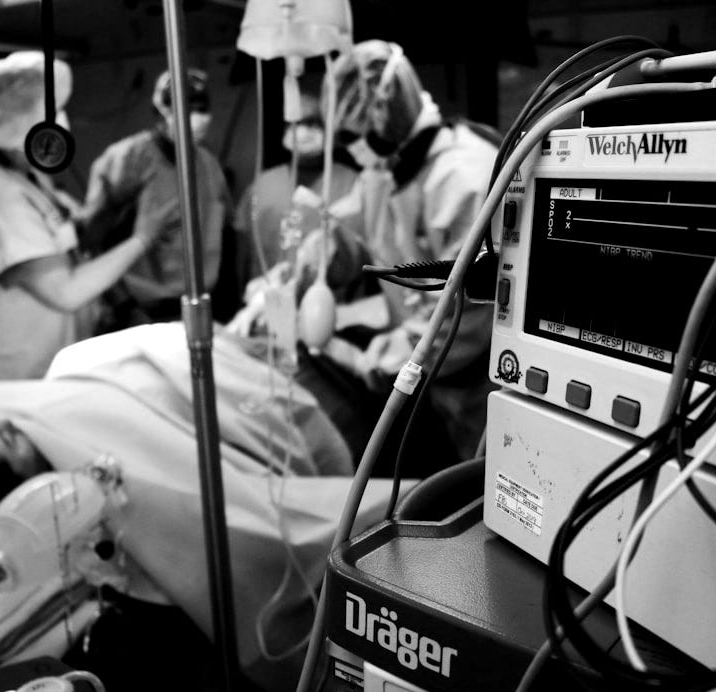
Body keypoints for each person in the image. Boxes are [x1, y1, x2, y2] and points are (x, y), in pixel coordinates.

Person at [0, 322, 403, 692]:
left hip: (204, 355)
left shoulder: (12, 416)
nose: (0, 420)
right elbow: (244, 526)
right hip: (291, 386)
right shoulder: (95, 468)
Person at [297, 40, 500, 464]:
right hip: (434, 383)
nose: (350, 148)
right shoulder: (385, 173)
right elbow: (371, 245)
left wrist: (361, 358)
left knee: (484, 490)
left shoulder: (463, 179)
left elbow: (453, 324)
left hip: (474, 385)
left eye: (351, 135)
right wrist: (324, 253)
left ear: (382, 119)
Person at [0, 51, 171, 387]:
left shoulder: (28, 182)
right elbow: (66, 291)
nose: (60, 124)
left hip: (41, 365)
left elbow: (65, 240)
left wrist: (114, 203)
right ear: (19, 131)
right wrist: (144, 237)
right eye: (49, 116)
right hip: (3, 379)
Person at [77, 69, 234, 328]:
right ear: (162, 111)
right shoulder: (128, 159)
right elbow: (93, 240)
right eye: (188, 108)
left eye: (202, 108)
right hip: (140, 311)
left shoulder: (208, 165)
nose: (198, 117)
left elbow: (225, 232)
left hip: (198, 307)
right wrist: (124, 306)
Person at [232, 88, 360, 288]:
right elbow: (242, 250)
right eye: (295, 124)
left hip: (337, 303)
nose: (302, 132)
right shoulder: (262, 185)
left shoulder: (351, 182)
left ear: (328, 128)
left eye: (312, 123)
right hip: (270, 300)